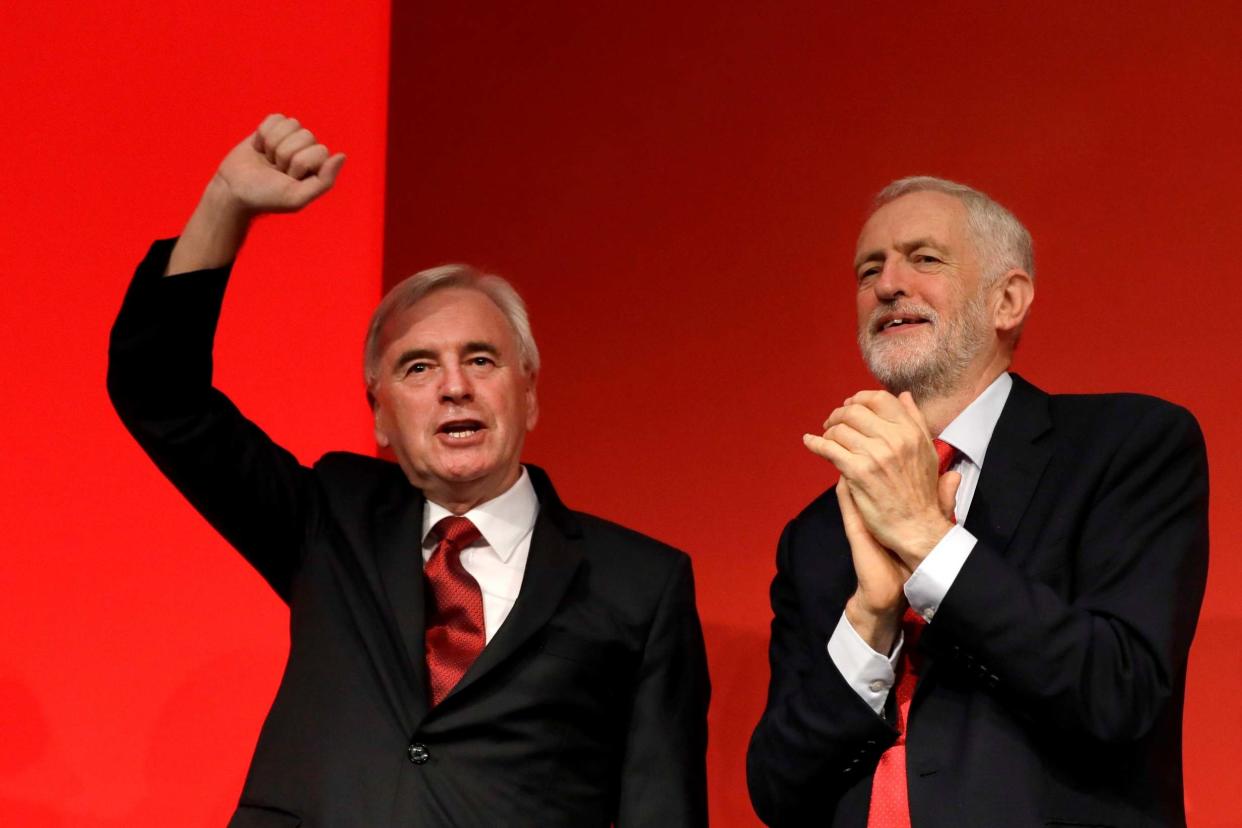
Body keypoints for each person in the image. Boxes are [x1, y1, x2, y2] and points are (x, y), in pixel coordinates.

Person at [108, 114, 709, 827]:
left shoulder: (641, 582)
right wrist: (224, 206)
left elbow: (661, 809)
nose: (454, 387)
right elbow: (161, 393)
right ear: (381, 418)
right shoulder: (329, 521)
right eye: (418, 368)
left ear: (530, 391)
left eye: (480, 360)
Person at [746, 176, 1208, 827]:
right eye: (868, 270)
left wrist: (928, 543)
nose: (886, 284)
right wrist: (870, 620)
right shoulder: (820, 532)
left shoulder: (1126, 447)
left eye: (923, 258)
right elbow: (778, 788)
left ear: (1008, 299)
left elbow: (1119, 691)